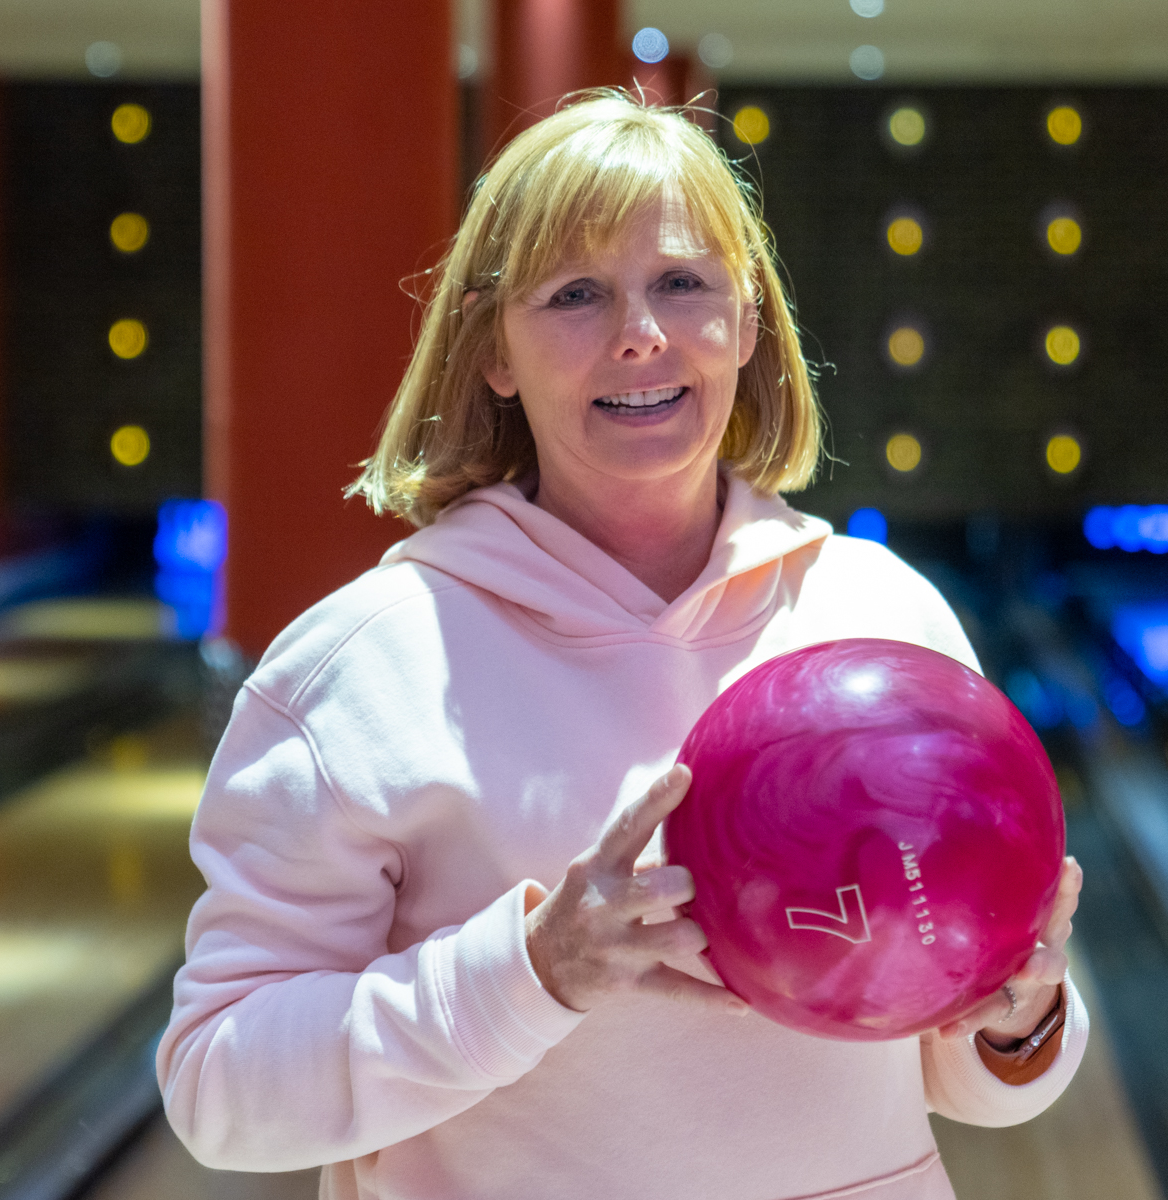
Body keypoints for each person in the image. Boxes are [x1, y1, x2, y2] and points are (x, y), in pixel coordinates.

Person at [158, 92, 1087, 1200]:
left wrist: (1018, 1015)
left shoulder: (885, 623)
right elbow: (218, 1085)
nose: (639, 332)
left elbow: (959, 1065)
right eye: (576, 293)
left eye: (682, 283)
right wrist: (530, 974)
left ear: (747, 324)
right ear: (493, 351)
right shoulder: (358, 667)